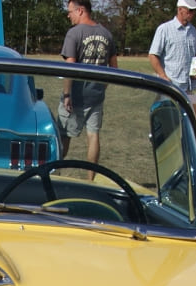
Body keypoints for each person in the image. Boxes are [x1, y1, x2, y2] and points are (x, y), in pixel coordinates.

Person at [59, 0, 116, 175]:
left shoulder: (74, 33)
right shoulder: (107, 34)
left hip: (76, 96)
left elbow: (70, 67)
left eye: (71, 11)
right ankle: (91, 179)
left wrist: (67, 94)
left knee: (63, 136)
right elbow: (114, 68)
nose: (69, 15)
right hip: (96, 96)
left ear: (81, 10)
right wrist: (102, 87)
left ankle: (54, 173)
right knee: (93, 135)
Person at [147, 0, 196, 94]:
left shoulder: (193, 31)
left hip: (188, 87)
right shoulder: (164, 29)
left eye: (194, 11)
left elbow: (195, 55)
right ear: (180, 10)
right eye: (190, 10)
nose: (193, 13)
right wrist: (163, 77)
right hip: (170, 86)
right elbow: (153, 55)